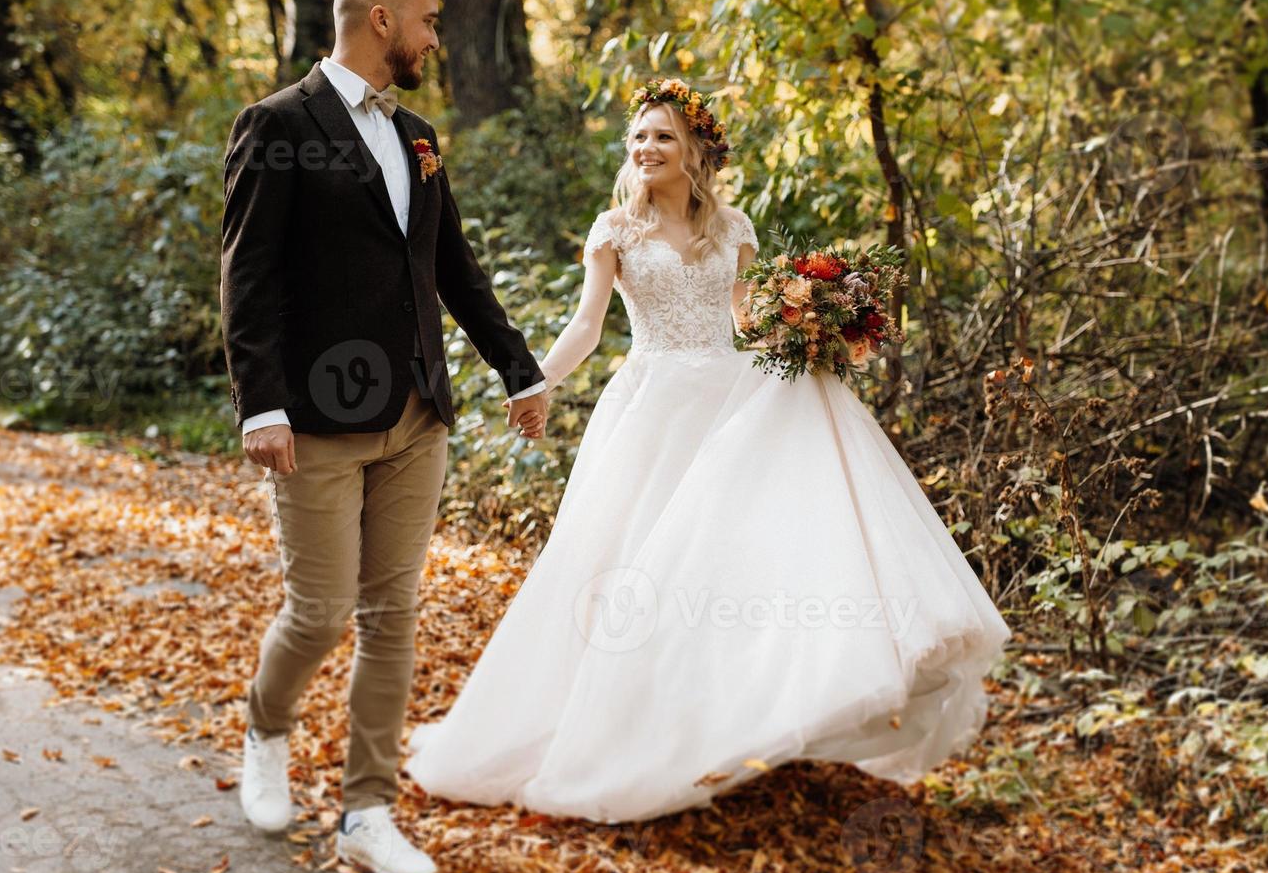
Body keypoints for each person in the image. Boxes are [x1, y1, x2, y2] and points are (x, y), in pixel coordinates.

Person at [402, 79, 1012, 823]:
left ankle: (728, 721)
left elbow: (747, 319)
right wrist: (536, 382)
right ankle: (628, 731)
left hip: (732, 405)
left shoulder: (734, 228)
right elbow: (589, 326)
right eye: (637, 138)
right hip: (653, 406)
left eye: (661, 136)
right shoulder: (614, 230)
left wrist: (809, 331)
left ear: (694, 150)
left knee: (728, 568)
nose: (645, 148)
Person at [219, 0, 549, 873]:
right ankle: (265, 726)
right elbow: (247, 279)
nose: (437, 36)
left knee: (392, 615)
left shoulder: (418, 136)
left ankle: (367, 811)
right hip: (315, 422)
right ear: (379, 21)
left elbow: (453, 266)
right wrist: (262, 405)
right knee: (320, 612)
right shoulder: (276, 126)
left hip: (418, 417)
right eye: (429, 21)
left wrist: (517, 369)